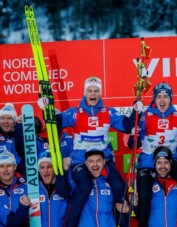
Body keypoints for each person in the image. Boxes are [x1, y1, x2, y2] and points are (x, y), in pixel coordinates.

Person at [38, 76, 140, 227]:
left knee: (119, 187)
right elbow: (55, 123)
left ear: (100, 93)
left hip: (103, 159)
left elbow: (126, 125)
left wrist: (135, 111)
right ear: (85, 92)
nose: (93, 94)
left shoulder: (108, 112)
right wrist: (47, 109)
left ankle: (123, 223)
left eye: (96, 91)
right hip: (80, 160)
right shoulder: (75, 113)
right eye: (90, 90)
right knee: (85, 186)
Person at [130, 82, 177, 227]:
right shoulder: (145, 116)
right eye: (159, 97)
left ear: (171, 99)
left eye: (165, 97)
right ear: (154, 99)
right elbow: (133, 145)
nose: (162, 100)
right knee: (144, 196)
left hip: (170, 161)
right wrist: (134, 135)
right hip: (148, 163)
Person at [38, 150, 69, 227]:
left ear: (55, 168)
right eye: (42, 167)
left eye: (49, 166)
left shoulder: (66, 187)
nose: (45, 171)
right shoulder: (33, 190)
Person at [0, 150, 29, 226]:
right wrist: (23, 206)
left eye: (8, 166)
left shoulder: (29, 185)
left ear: (15, 167)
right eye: (1, 166)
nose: (5, 170)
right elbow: (10, 223)